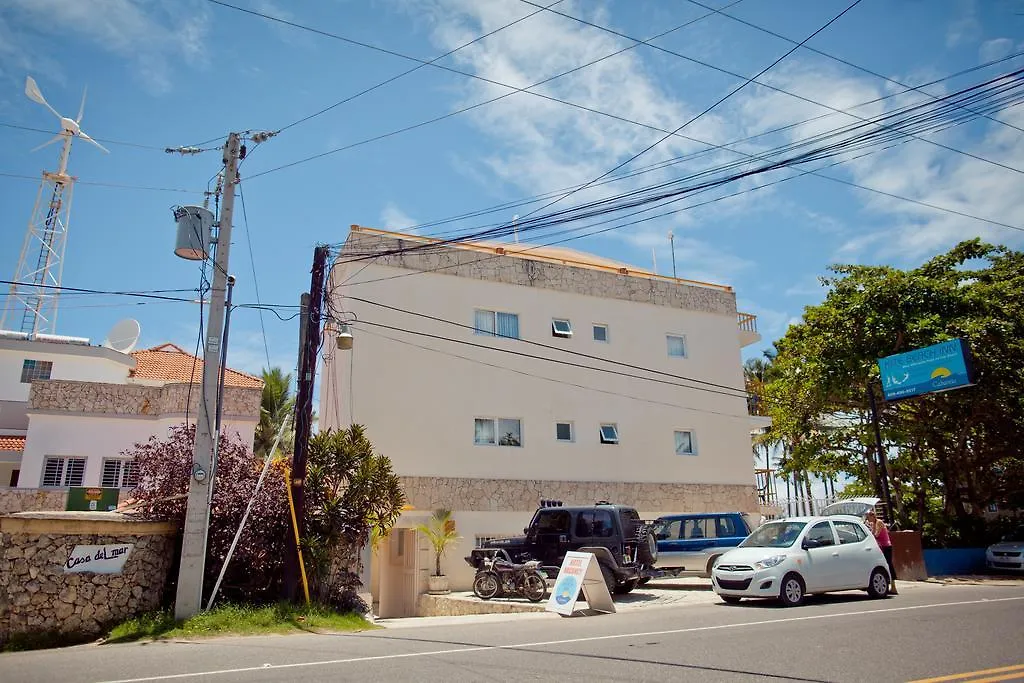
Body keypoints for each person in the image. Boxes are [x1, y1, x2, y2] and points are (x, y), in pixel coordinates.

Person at [865, 510, 898, 595]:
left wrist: (871, 531)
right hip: (881, 547)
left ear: (872, 516)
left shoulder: (879, 522)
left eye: (868, 517)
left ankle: (894, 586)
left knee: (889, 564)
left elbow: (876, 535)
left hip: (886, 546)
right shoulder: (873, 524)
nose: (868, 519)